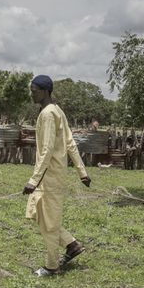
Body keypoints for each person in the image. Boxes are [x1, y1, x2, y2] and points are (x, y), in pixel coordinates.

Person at [23, 74, 91, 276]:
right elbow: (70, 142)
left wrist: (33, 180)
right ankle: (71, 244)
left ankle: (51, 266)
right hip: (53, 175)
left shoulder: (48, 114)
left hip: (49, 177)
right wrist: (82, 172)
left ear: (44, 91)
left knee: (49, 224)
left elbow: (47, 149)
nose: (31, 94)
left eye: (34, 91)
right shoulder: (57, 110)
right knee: (42, 216)